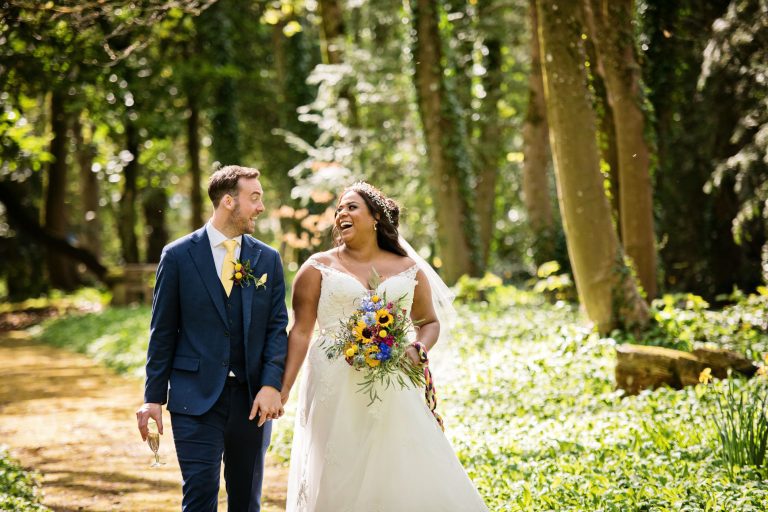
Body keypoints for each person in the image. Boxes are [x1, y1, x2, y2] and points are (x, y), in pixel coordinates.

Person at [281, 182, 488, 511]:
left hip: (392, 381)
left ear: (375, 216)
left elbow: (429, 322)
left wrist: (417, 349)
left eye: (351, 207)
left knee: (398, 463)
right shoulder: (317, 267)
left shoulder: (408, 269)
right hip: (333, 382)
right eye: (338, 210)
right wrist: (282, 390)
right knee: (339, 467)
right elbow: (301, 332)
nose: (341, 214)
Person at [135, 165, 288, 512]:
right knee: (200, 495)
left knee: (246, 501)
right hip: (195, 398)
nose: (261, 207)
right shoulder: (177, 256)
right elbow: (162, 332)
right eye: (255, 198)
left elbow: (276, 329)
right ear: (229, 202)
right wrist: (153, 398)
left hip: (252, 402)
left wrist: (270, 385)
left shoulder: (268, 258)